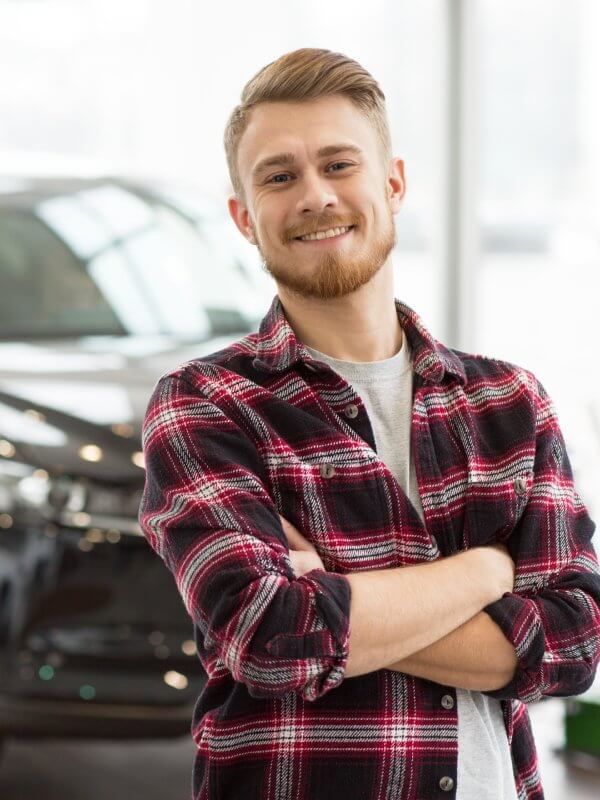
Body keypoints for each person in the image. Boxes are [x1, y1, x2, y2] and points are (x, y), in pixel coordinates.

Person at [138, 47, 600, 800]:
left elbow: (574, 642)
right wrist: (486, 572)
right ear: (243, 217)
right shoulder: (205, 406)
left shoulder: (510, 401)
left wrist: (341, 598)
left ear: (393, 182)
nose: (315, 195)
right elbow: (272, 637)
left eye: (339, 164)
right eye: (280, 176)